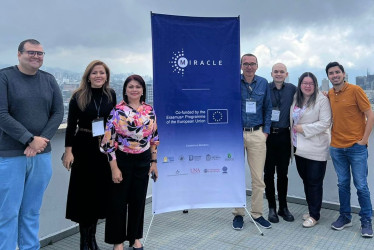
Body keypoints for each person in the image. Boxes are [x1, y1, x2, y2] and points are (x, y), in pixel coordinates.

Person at [0, 39, 64, 250]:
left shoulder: (48, 79)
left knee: (31, 210)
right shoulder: (5, 77)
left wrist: (39, 142)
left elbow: (58, 113)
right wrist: (29, 139)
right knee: (8, 212)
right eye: (31, 52)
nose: (36, 56)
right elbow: (1, 114)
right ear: (19, 54)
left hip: (41, 155)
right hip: (10, 156)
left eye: (40, 53)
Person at [101, 75, 159, 250]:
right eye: (131, 86)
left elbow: (154, 138)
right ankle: (117, 241)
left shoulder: (149, 110)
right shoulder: (117, 111)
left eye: (138, 87)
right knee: (118, 202)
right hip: (122, 160)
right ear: (125, 90)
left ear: (143, 90)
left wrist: (154, 162)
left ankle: (134, 238)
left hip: (143, 160)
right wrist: (114, 168)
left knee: (138, 201)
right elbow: (107, 142)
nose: (134, 89)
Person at [63, 60, 117, 249]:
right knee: (84, 194)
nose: (98, 76)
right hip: (83, 147)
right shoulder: (78, 96)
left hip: (103, 148)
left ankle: (92, 238)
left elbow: (114, 122)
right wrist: (68, 151)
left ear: (107, 76)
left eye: (102, 73)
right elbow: (71, 126)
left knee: (98, 194)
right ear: (88, 76)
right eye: (94, 73)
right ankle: (84, 240)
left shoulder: (110, 94)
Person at [326, 62, 374, 238]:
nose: (335, 75)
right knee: (343, 184)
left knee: (361, 185)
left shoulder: (355, 90)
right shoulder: (330, 93)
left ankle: (366, 221)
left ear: (344, 74)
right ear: (328, 77)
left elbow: (370, 115)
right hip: (337, 147)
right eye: (331, 73)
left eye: (337, 72)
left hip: (356, 148)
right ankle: (345, 217)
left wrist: (364, 140)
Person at [232, 53, 272, 230]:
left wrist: (266, 132)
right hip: (236, 135)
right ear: (241, 66)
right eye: (245, 64)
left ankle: (257, 214)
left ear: (257, 66)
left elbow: (268, 108)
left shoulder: (263, 83)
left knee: (258, 178)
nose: (249, 67)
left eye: (252, 64)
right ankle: (239, 214)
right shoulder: (233, 81)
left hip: (257, 134)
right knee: (237, 175)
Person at [290, 72, 331, 228]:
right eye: (304, 83)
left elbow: (325, 123)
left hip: (316, 147)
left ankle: (314, 215)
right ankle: (312, 209)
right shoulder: (296, 98)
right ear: (300, 84)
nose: (307, 86)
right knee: (306, 180)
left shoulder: (322, 100)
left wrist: (303, 128)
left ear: (315, 85)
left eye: (311, 83)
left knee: (314, 182)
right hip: (299, 147)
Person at [264, 63, 296, 223]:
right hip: (267, 136)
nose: (278, 74)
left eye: (281, 71)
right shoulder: (265, 87)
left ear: (286, 73)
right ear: (271, 73)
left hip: (284, 135)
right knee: (268, 174)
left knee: (283, 174)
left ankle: (283, 207)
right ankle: (271, 208)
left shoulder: (292, 89)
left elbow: (308, 96)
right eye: (276, 71)